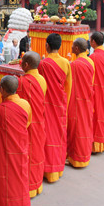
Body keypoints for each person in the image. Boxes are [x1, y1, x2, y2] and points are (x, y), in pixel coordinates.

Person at [0, 75, 32, 206]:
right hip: (20, 149)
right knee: (19, 178)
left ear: (1, 90)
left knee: (4, 178)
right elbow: (26, 124)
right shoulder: (25, 104)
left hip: (4, 152)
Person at [38, 33, 72, 183]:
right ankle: (57, 168)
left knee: (46, 134)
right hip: (60, 103)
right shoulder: (66, 63)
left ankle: (46, 170)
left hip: (46, 104)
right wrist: (65, 103)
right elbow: (68, 86)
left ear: (46, 45)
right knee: (58, 134)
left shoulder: (43, 64)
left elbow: (40, 85)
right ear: (61, 46)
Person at [16, 51, 47, 197]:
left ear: (26, 65)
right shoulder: (42, 80)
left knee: (26, 154)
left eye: (22, 62)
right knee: (37, 153)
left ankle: (27, 187)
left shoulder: (21, 82)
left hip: (26, 125)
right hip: (39, 122)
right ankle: (37, 184)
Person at [67, 38, 95, 168]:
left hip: (76, 100)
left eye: (73, 46)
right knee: (85, 127)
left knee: (76, 128)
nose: (71, 48)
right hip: (87, 99)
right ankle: (84, 155)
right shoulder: (90, 61)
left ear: (77, 49)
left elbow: (69, 84)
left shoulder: (75, 65)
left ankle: (75, 158)